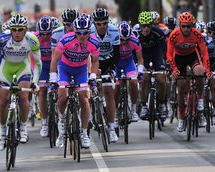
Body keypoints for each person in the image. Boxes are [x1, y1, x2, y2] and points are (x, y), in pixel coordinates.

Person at [0, 14, 42, 151]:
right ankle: (3, 130)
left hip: (23, 67)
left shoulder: (32, 40)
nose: (17, 33)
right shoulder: (2, 39)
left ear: (25, 29)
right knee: (3, 100)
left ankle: (23, 126)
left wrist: (34, 82)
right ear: (10, 29)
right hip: (6, 69)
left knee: (23, 96)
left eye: (20, 29)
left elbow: (38, 63)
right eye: (14, 29)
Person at [50, 15, 100, 148]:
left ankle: (84, 133)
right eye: (79, 32)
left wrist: (93, 76)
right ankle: (61, 121)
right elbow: (55, 60)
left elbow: (95, 61)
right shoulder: (65, 40)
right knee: (62, 96)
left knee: (84, 99)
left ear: (90, 31)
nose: (82, 36)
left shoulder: (94, 42)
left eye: (85, 33)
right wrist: (53, 79)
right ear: (74, 31)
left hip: (81, 70)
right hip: (65, 68)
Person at [167, 12, 211, 132]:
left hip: (192, 56)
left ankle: (200, 100)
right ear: (179, 26)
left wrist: (208, 70)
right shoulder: (174, 35)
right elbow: (169, 55)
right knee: (181, 88)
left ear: (192, 26)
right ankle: (181, 118)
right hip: (179, 58)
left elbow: (205, 53)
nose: (186, 29)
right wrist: (175, 69)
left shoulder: (197, 34)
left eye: (188, 26)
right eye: (183, 26)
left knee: (200, 72)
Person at [90, 8, 120, 143]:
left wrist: (112, 69)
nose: (102, 26)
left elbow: (117, 54)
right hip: (93, 60)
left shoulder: (114, 31)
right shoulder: (89, 32)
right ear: (94, 24)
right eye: (99, 24)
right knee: (91, 88)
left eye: (104, 23)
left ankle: (112, 128)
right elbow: (86, 53)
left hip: (108, 61)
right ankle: (92, 112)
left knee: (109, 92)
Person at [137, 11, 167, 122]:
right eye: (143, 26)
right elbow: (133, 51)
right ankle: (144, 105)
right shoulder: (136, 34)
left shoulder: (158, 32)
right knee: (144, 78)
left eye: (148, 26)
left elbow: (165, 49)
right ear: (140, 25)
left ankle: (162, 104)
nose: (146, 28)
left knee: (161, 79)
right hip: (142, 57)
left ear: (151, 24)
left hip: (156, 55)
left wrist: (166, 62)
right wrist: (137, 65)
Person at [115, 21, 144, 122]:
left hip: (128, 62)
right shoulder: (113, 39)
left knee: (134, 82)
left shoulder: (135, 40)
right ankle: (115, 110)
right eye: (121, 39)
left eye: (126, 39)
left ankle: (133, 108)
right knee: (116, 87)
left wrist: (140, 72)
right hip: (116, 64)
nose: (123, 41)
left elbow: (140, 59)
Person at [34, 16, 53, 137]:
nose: (45, 36)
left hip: (54, 64)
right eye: (43, 34)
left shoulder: (56, 36)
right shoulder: (35, 38)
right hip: (41, 66)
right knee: (42, 91)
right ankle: (45, 122)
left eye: (48, 33)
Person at [203, 21, 215, 125]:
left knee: (214, 84)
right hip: (202, 62)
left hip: (213, 62)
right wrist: (208, 40)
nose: (213, 34)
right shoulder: (202, 37)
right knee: (199, 82)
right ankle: (200, 106)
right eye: (210, 32)